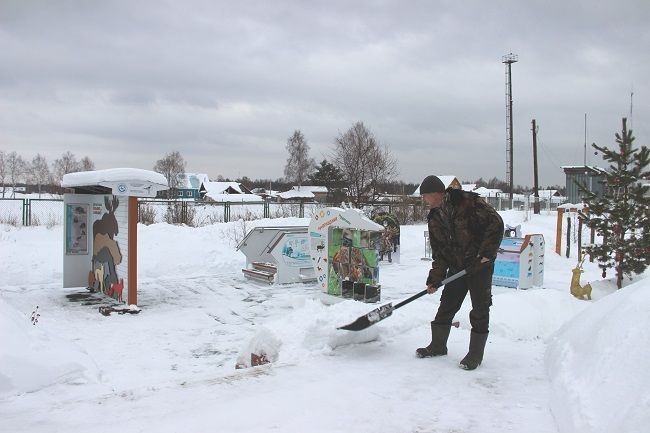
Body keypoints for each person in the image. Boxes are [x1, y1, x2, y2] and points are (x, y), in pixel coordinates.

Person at [416, 175, 504, 370]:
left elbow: (496, 223)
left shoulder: (466, 202)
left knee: (480, 308)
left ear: (436, 194)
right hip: (457, 267)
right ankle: (438, 345)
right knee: (447, 305)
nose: (424, 201)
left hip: (479, 265)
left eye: (425, 196)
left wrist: (486, 255)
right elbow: (440, 252)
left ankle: (475, 354)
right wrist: (435, 278)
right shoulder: (434, 217)